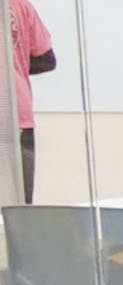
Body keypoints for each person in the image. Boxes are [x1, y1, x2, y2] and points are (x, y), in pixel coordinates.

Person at [9, 0, 54, 203]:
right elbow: (46, 59)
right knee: (19, 211)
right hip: (19, 116)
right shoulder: (21, 5)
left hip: (17, 120)